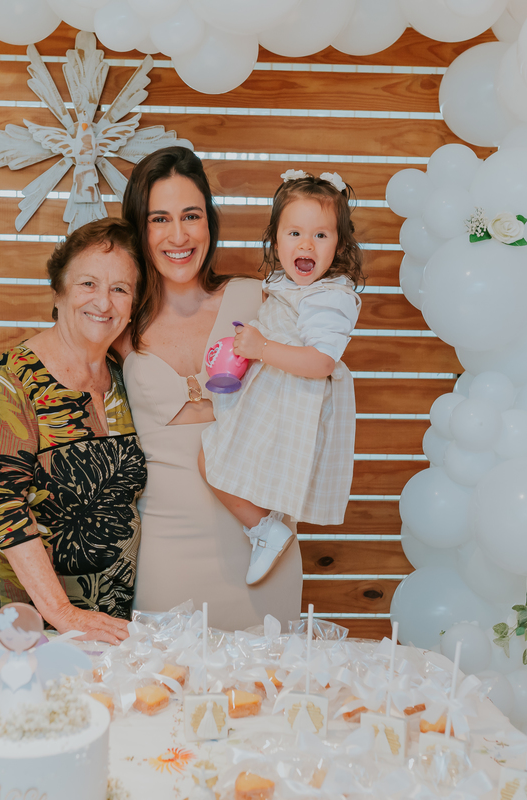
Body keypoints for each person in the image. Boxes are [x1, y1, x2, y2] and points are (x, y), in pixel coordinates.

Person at [117, 146, 303, 631]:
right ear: (140, 228)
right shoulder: (119, 321)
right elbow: (50, 366)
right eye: (159, 218)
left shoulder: (255, 298)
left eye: (191, 215)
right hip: (165, 554)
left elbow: (314, 378)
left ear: (209, 222)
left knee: (264, 701)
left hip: (260, 546)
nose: (178, 236)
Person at [0, 218, 146, 645]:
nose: (104, 301)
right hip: (28, 617)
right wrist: (63, 613)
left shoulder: (124, 376)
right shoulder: (15, 377)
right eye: (88, 284)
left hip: (109, 616)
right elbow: (3, 503)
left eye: (120, 288)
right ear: (58, 292)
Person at [199, 170, 363, 585]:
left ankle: (265, 530)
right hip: (269, 397)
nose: (306, 244)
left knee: (212, 459)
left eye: (321, 236)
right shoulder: (285, 285)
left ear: (339, 246)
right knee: (213, 459)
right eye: (294, 233)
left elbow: (322, 361)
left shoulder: (330, 298)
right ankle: (264, 527)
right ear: (275, 239)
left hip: (289, 405)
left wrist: (261, 349)